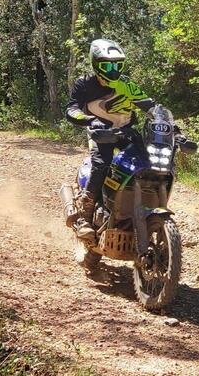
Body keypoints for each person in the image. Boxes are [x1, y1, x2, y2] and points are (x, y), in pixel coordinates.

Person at [66, 39, 155, 240]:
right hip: (100, 132)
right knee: (102, 164)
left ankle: (143, 207)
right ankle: (85, 218)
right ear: (96, 64)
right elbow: (72, 109)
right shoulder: (84, 84)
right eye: (107, 65)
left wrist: (170, 126)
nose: (113, 70)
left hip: (125, 131)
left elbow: (151, 106)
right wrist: (89, 120)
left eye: (118, 65)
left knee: (148, 163)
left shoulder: (127, 85)